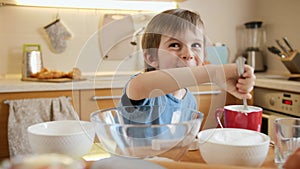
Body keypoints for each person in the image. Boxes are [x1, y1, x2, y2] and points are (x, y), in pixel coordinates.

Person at [118, 8, 255, 134]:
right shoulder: (142, 89)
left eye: (195, 45)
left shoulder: (190, 101)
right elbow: (139, 85)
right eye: (175, 45)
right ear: (152, 57)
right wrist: (214, 73)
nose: (188, 53)